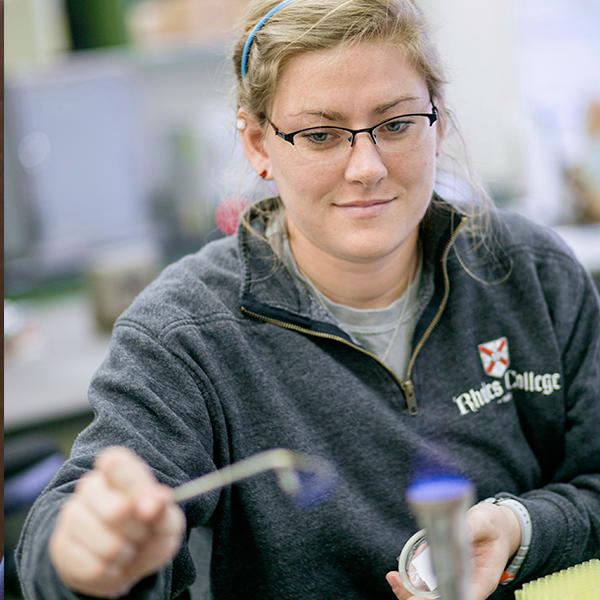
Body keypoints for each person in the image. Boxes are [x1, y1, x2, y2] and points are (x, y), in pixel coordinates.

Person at [16, 1, 600, 599]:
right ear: (257, 144)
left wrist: (523, 528)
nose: (366, 168)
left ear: (439, 120)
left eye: (396, 124)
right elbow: (67, 533)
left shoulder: (532, 274)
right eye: (320, 135)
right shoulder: (185, 335)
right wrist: (81, 557)